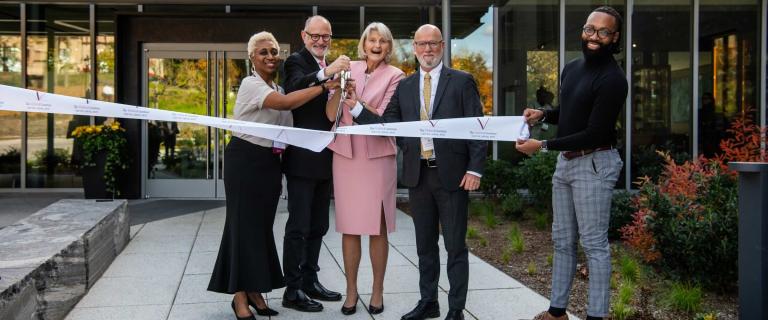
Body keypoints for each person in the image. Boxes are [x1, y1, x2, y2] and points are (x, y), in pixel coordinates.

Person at [350, 24, 487, 320]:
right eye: (421, 44)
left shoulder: (462, 82)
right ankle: (429, 303)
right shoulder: (406, 86)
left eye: (433, 44)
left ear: (442, 46)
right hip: (418, 176)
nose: (427, 49)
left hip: (452, 175)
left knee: (454, 247)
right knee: (425, 246)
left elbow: (478, 127)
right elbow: (388, 125)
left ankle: (455, 309)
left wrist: (475, 168)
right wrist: (357, 109)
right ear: (414, 48)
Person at [207, 31, 336, 320]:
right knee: (242, 227)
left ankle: (255, 291)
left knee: (261, 229)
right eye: (263, 52)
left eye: (274, 51)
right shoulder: (251, 84)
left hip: (269, 163)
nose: (270, 56)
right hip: (245, 161)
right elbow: (286, 104)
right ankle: (239, 297)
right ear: (251, 57)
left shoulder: (275, 85)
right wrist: (325, 84)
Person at [516, 6, 627, 320]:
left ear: (614, 37)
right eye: (590, 29)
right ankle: (557, 312)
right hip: (565, 164)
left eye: (603, 32)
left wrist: (544, 145)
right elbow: (572, 113)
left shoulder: (614, 80)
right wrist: (544, 115)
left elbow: (594, 132)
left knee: (593, 245)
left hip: (595, 163)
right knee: (562, 240)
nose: (594, 37)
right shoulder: (572, 69)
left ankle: (596, 315)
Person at [325, 22, 404, 316]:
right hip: (346, 157)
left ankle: (378, 290)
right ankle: (351, 291)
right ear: (364, 43)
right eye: (372, 39)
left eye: (382, 40)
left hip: (378, 157)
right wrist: (337, 89)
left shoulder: (397, 76)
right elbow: (331, 115)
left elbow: (385, 117)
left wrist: (357, 103)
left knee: (377, 227)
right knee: (349, 226)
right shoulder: (349, 67)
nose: (377, 45)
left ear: (388, 46)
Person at [281, 15, 348, 312]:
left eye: (326, 37)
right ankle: (292, 290)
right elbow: (295, 87)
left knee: (319, 224)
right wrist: (326, 76)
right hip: (301, 159)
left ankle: (310, 280)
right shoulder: (295, 61)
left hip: (326, 157)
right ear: (304, 36)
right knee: (298, 225)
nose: (321, 41)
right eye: (315, 36)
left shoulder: (326, 67)